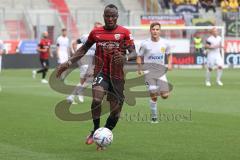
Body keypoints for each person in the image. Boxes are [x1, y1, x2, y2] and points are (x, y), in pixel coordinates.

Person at [56, 4, 136, 150]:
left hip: (117, 76)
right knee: (96, 99)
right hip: (101, 72)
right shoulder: (95, 33)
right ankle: (95, 130)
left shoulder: (124, 33)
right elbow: (84, 48)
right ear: (103, 16)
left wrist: (125, 58)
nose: (110, 19)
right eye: (107, 16)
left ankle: (104, 133)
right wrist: (68, 63)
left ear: (117, 17)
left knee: (116, 111)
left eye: (113, 16)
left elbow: (134, 53)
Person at [136, 22, 172, 123]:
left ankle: (159, 89)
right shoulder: (145, 44)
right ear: (150, 30)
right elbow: (139, 56)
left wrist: (169, 64)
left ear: (160, 31)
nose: (155, 31)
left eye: (157, 29)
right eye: (153, 29)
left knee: (165, 96)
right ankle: (154, 117)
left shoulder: (165, 43)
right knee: (154, 96)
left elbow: (169, 54)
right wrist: (139, 68)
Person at [67, 22, 102, 104]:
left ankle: (71, 96)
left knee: (84, 81)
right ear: (94, 28)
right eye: (97, 28)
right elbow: (74, 43)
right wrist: (76, 54)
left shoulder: (100, 40)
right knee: (91, 79)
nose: (99, 30)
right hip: (85, 62)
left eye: (100, 28)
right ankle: (79, 91)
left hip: (91, 62)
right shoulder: (86, 37)